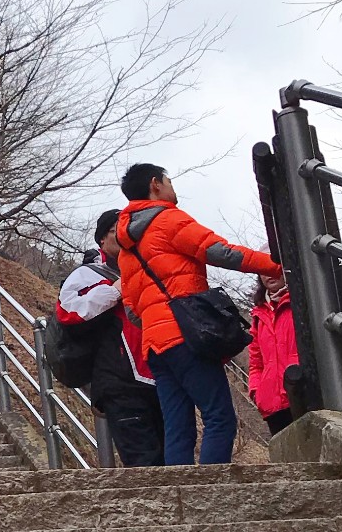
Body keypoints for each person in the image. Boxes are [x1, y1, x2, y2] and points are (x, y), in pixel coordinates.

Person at [114, 162, 282, 466]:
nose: (171, 187)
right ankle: (212, 494)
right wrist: (275, 265)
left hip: (155, 347)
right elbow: (219, 251)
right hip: (185, 337)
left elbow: (132, 310)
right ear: (155, 185)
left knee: (178, 428)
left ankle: (183, 494)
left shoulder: (127, 249)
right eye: (168, 180)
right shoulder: (167, 220)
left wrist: (157, 319)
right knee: (219, 417)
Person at [56, 210, 165, 466]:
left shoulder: (150, 268)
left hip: (162, 377)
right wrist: (113, 291)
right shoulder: (89, 274)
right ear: (102, 239)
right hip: (120, 383)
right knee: (144, 463)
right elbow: (68, 313)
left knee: (173, 459)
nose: (126, 234)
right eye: (117, 229)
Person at [248, 272, 299, 436]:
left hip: (303, 393)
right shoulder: (259, 314)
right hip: (272, 405)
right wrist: (256, 391)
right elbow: (256, 362)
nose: (269, 273)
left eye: (274, 267)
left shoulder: (301, 302)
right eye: (262, 269)